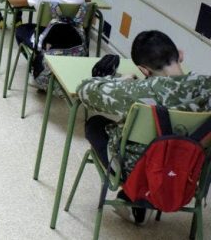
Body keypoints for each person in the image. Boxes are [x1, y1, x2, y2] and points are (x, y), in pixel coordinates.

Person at [78, 30, 211, 224]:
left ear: (144, 70)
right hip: (191, 171)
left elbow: (85, 91)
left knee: (96, 124)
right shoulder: (207, 86)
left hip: (139, 170)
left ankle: (135, 194)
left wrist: (117, 81)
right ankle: (137, 202)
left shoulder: (138, 91)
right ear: (180, 55)